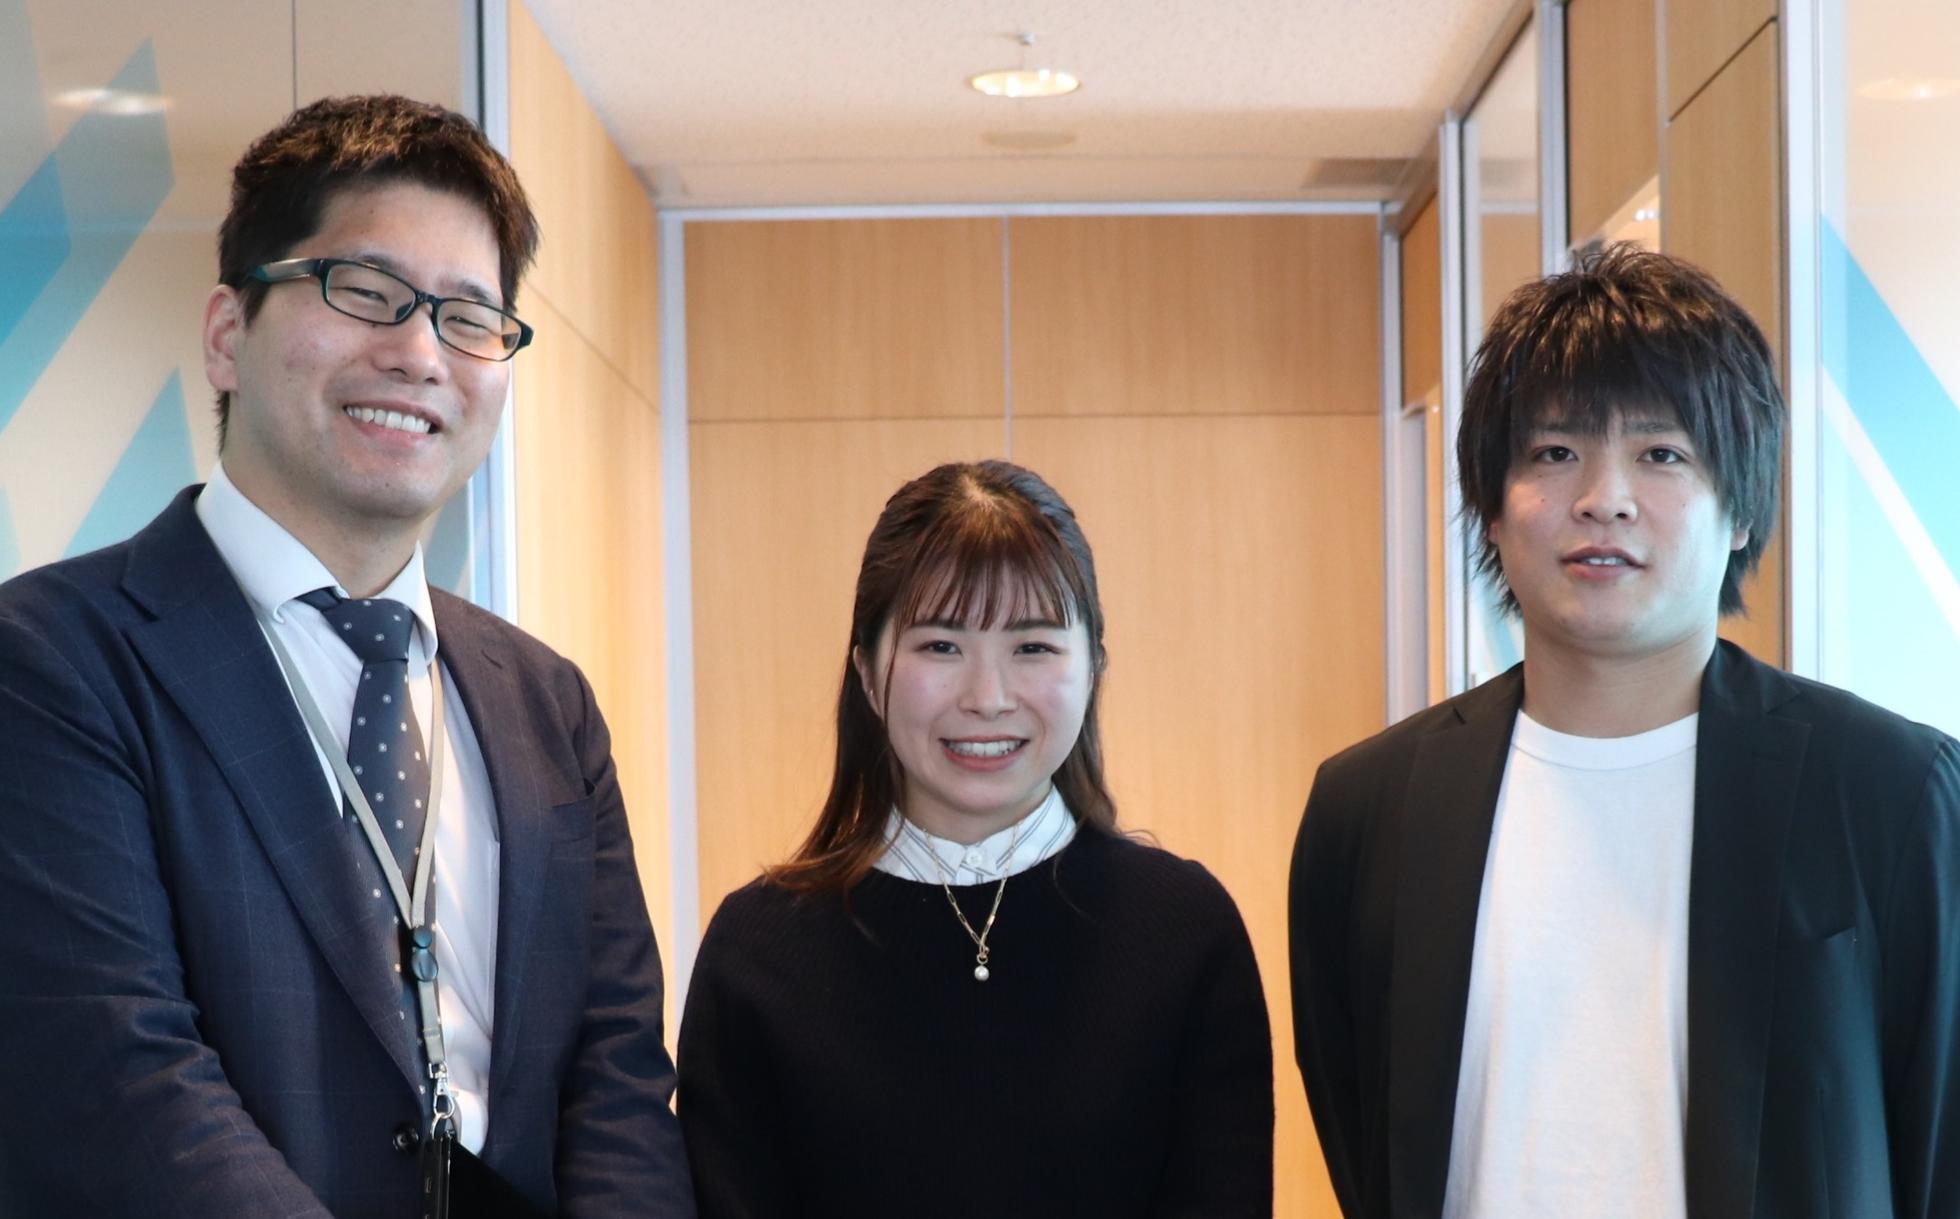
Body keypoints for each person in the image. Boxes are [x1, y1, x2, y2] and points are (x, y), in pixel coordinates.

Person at [0, 95, 694, 1217]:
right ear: (227, 333)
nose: (419, 353)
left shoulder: (545, 702)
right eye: (364, 290)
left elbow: (614, 1076)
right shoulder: (51, 661)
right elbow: (121, 1074)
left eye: (469, 316)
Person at [1288, 244, 1960, 1219]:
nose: (1602, 497)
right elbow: (1366, 1137)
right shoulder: (1371, 808)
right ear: (1492, 509)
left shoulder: (1889, 791)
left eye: (1661, 454)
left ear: (1740, 508)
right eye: (1554, 453)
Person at [677, 460, 1274, 1218]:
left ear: (1094, 664)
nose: (987, 698)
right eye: (941, 646)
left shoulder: (1186, 931)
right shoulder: (758, 951)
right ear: (867, 671)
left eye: (1032, 647)